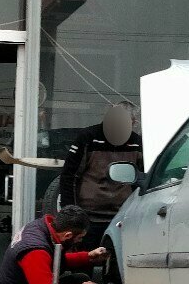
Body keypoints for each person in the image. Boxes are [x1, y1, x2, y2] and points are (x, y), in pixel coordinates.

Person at [59, 102, 143, 251]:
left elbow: (142, 178)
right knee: (83, 263)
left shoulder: (137, 143)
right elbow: (69, 176)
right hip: (88, 217)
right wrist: (71, 213)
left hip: (121, 217)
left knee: (115, 268)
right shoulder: (88, 138)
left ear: (133, 123)